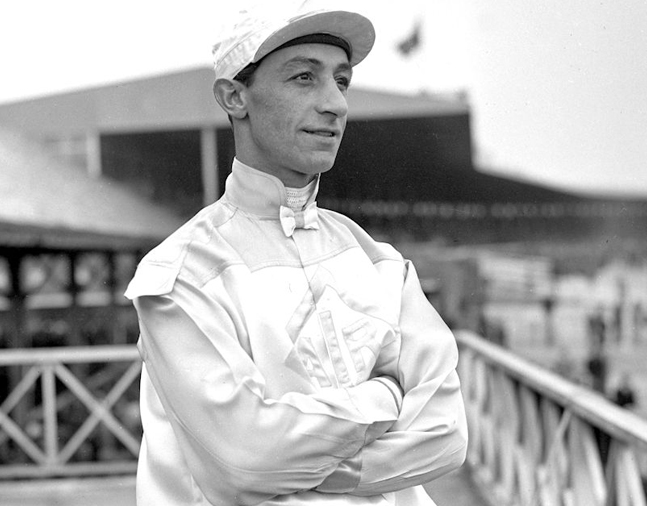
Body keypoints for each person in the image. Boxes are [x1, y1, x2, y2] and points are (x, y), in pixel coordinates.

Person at [125, 3, 467, 505]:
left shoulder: (380, 262)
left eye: (342, 81)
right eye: (304, 77)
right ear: (234, 96)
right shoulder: (180, 274)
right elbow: (245, 460)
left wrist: (309, 468)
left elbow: (446, 436)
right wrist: (388, 395)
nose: (336, 104)